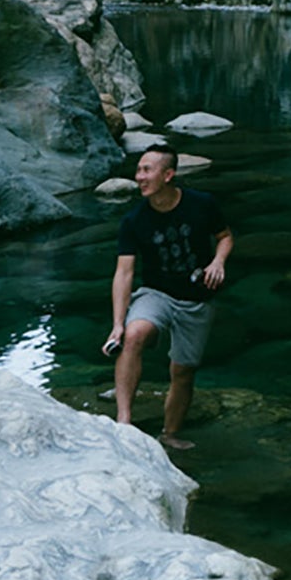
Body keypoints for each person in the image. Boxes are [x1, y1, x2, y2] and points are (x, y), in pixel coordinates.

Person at [103, 146, 233, 449]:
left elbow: (225, 236)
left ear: (169, 174)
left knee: (183, 371)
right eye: (138, 171)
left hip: (197, 299)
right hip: (155, 294)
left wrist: (218, 261)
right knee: (134, 335)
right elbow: (124, 273)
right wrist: (117, 324)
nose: (139, 177)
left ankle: (170, 434)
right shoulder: (134, 220)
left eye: (146, 170)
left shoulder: (202, 204)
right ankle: (124, 423)